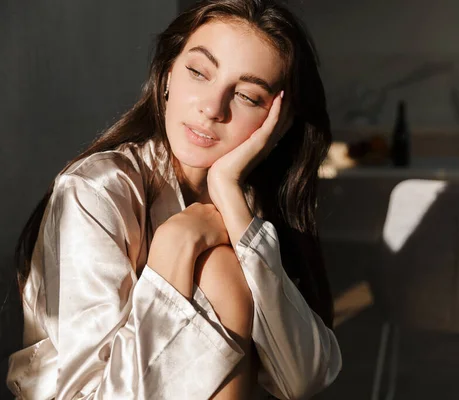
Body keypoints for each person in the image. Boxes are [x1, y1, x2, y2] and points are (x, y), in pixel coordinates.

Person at [6, 0, 342, 398]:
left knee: (220, 266)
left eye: (248, 96)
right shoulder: (97, 189)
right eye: (198, 72)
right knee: (218, 268)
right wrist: (174, 248)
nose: (212, 108)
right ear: (167, 74)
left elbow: (304, 377)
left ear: (278, 123)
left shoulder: (249, 204)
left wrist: (231, 202)